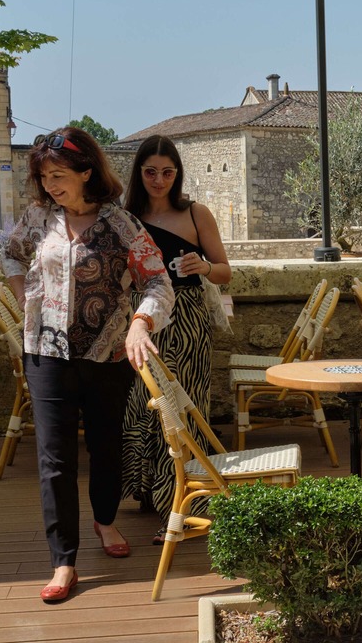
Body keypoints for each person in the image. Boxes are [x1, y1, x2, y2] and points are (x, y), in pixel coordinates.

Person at [1, 127, 174, 603]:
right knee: (54, 459)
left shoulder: (121, 224)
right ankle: (63, 560)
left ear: (86, 172)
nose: (50, 185)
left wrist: (140, 323)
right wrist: (22, 294)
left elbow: (159, 284)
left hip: (107, 356)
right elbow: (10, 256)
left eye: (59, 175)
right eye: (44, 176)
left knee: (106, 446)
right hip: (45, 354)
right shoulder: (37, 218)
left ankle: (105, 519)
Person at [120, 135, 232, 544]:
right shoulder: (125, 216)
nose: (159, 180)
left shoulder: (195, 212)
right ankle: (153, 493)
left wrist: (202, 266)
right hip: (142, 322)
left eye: (167, 172)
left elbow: (225, 271)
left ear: (177, 173)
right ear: (139, 172)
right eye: (151, 171)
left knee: (182, 409)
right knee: (143, 406)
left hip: (186, 321)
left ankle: (185, 508)